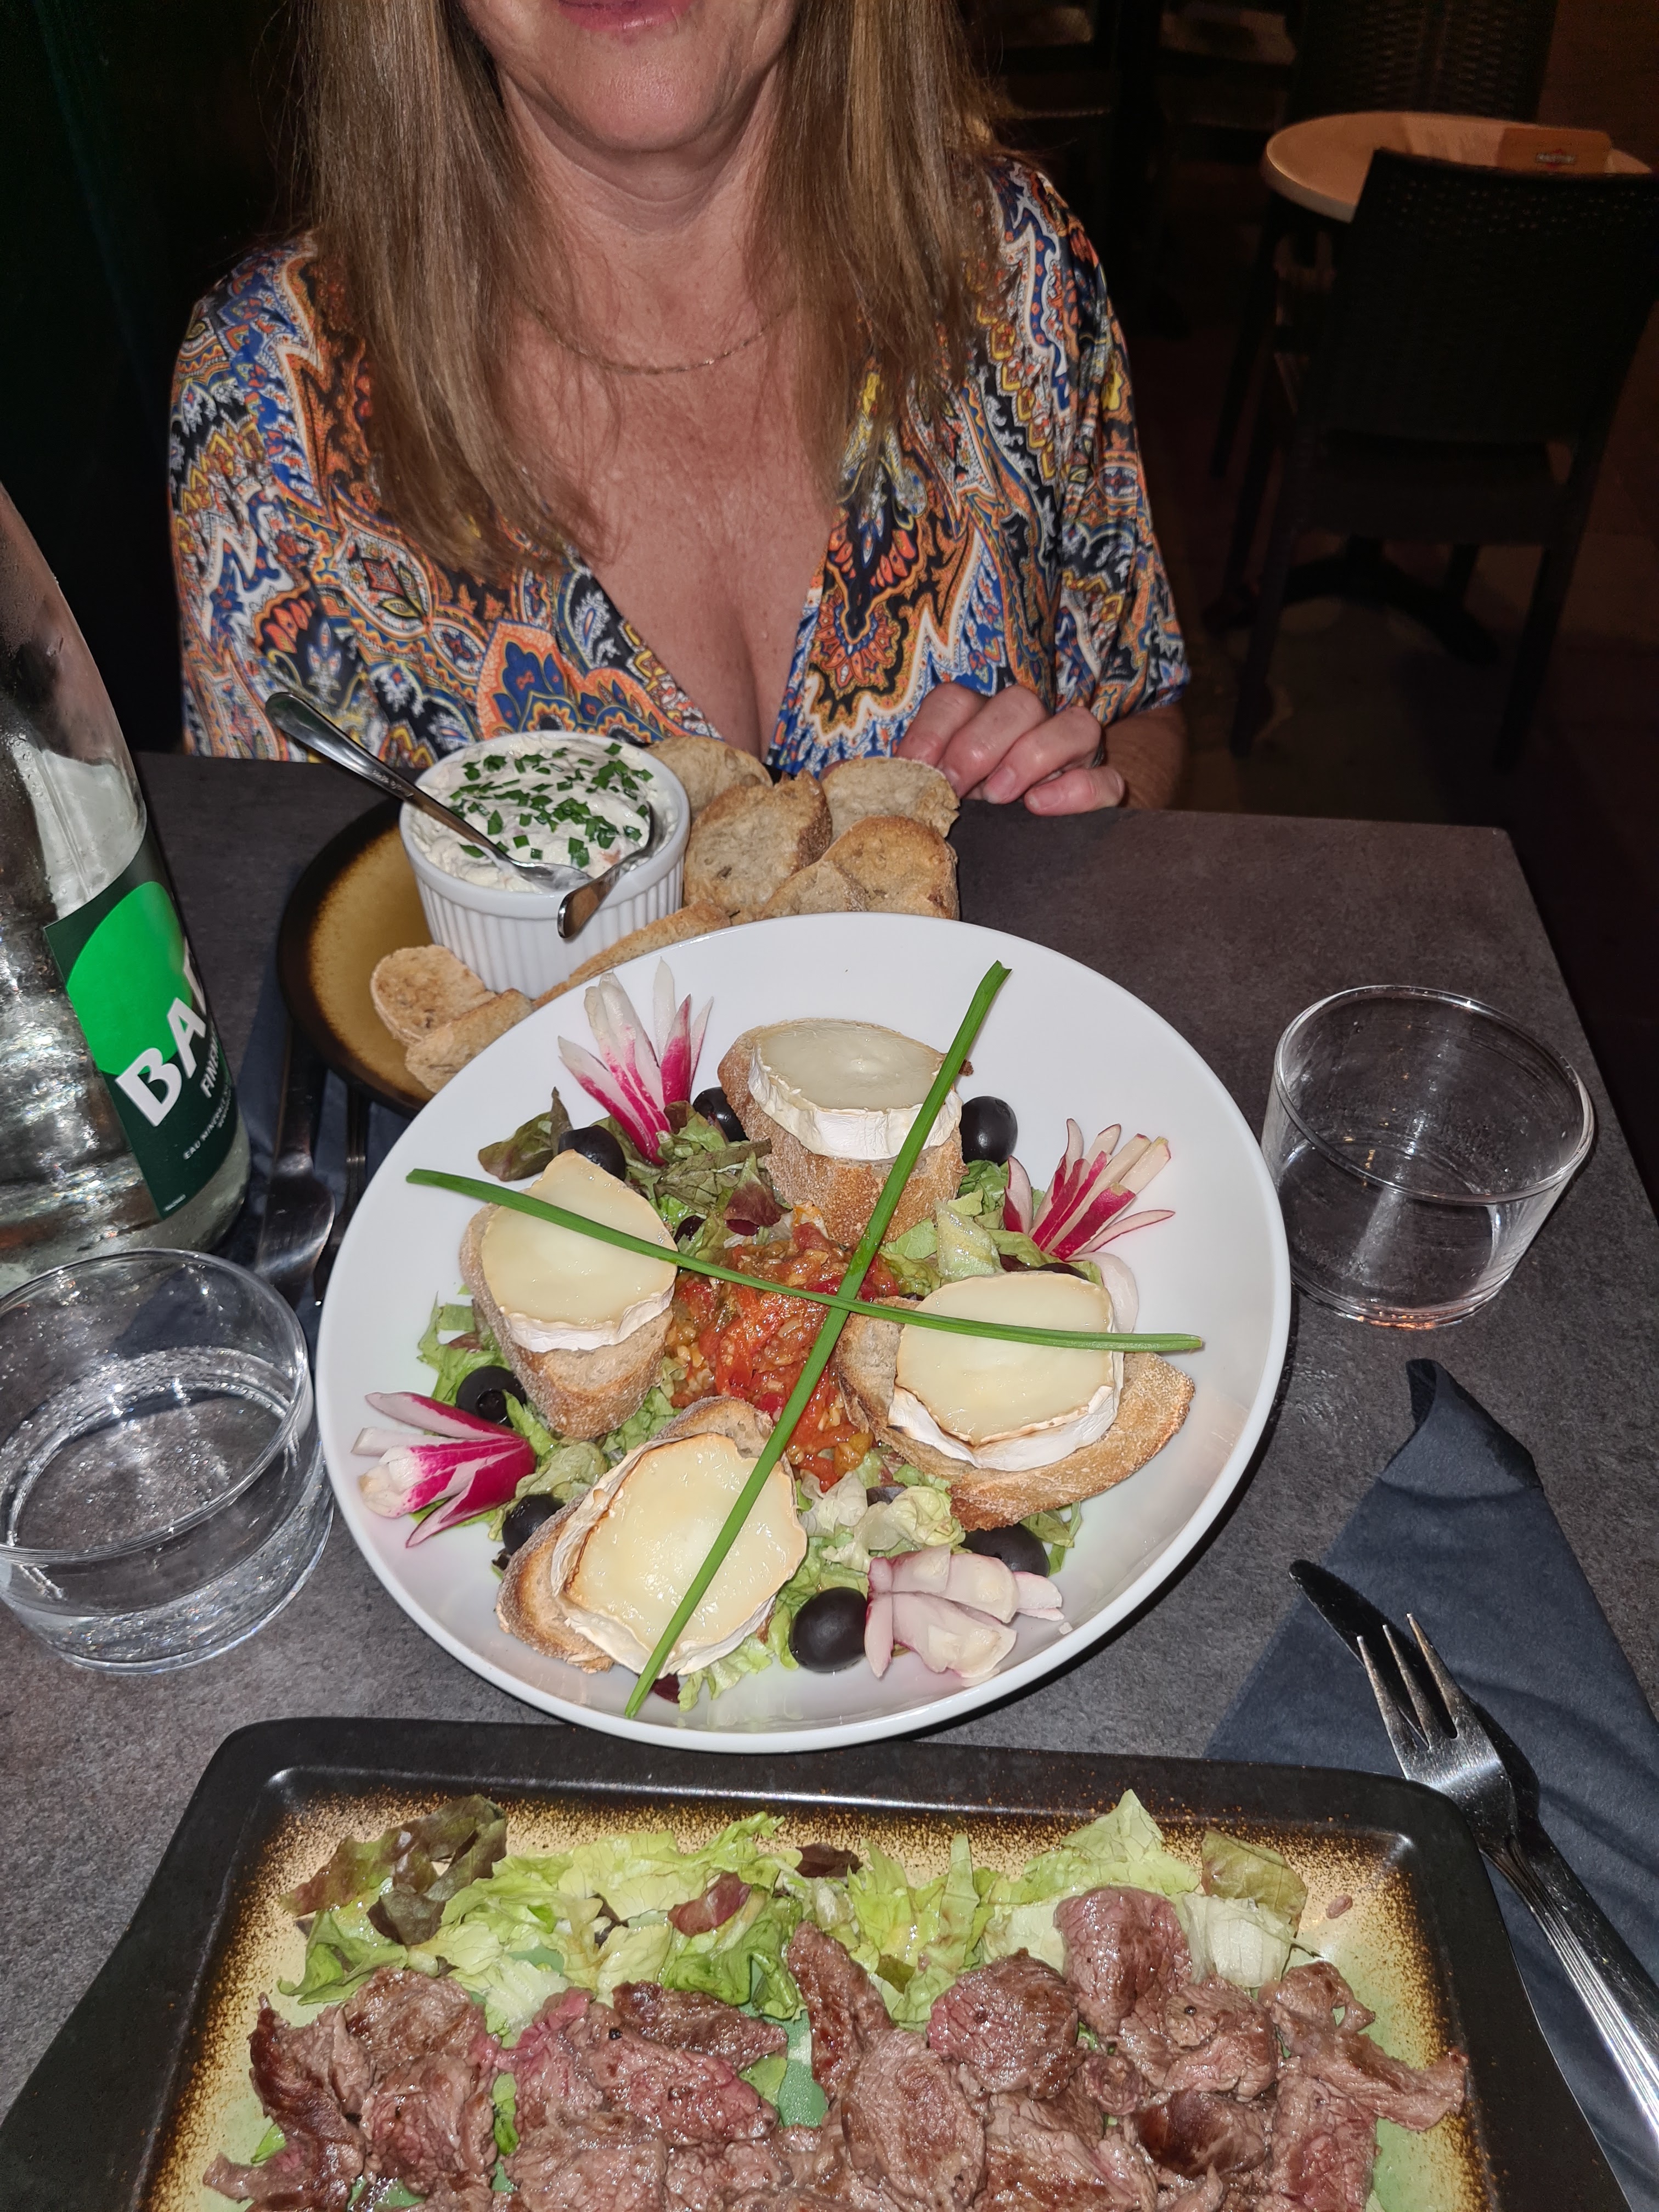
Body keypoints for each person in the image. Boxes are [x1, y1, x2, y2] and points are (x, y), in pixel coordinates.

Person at [169, 0, 1187, 812]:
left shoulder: (1013, 266)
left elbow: (1140, 701)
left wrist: (1080, 807)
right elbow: (278, 946)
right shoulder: (266, 401)